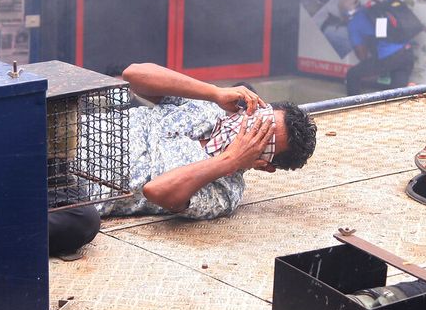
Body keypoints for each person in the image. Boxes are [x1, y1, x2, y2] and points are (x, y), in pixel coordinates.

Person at [95, 63, 317, 219]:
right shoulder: (211, 107)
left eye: (260, 138)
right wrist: (213, 92)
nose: (246, 130)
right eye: (257, 121)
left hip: (82, 189)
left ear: (265, 165)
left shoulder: (225, 192)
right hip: (79, 134)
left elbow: (156, 191)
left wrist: (231, 159)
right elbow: (133, 75)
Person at [340, 0, 415, 96]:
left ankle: (352, 106)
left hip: (389, 57)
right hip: (407, 52)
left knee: (352, 74)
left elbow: (362, 56)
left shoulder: (354, 24)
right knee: (398, 94)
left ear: (346, 13)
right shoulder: (374, 10)